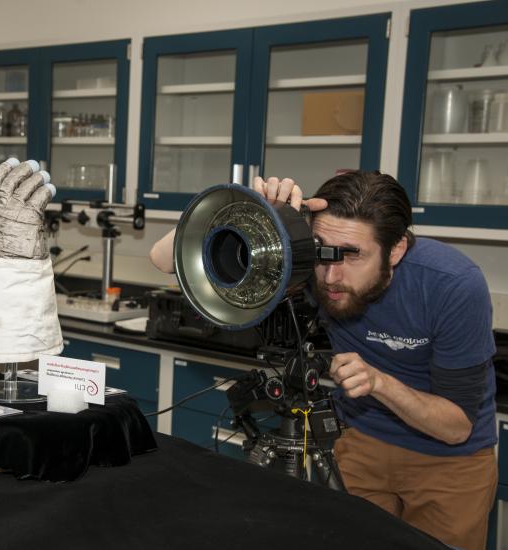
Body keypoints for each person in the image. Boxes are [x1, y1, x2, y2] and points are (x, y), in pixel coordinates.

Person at [150, 172, 498, 550]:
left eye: (352, 255)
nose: (331, 277)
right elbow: (162, 259)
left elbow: (456, 427)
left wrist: (379, 382)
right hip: (360, 439)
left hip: (449, 463)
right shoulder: (316, 269)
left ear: (396, 250)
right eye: (322, 251)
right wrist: (253, 206)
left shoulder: (452, 285)